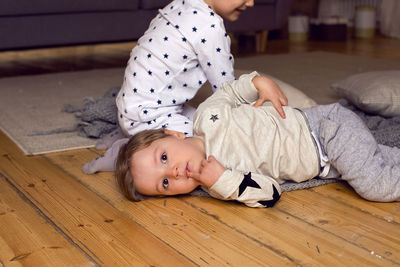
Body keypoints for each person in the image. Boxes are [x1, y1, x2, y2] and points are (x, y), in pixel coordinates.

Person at [115, 72, 400, 208]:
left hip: (323, 130)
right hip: (329, 162)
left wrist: (257, 82)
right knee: (382, 160)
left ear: (173, 134)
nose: (174, 172)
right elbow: (270, 193)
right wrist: (224, 181)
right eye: (165, 183)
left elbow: (231, 93)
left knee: (374, 185)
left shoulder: (206, 117)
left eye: (164, 158)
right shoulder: (220, 185)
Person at [82, 0, 288, 174]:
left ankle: (126, 131)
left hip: (130, 105)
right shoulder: (210, 27)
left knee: (200, 116)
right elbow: (226, 89)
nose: (251, 2)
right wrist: (246, 121)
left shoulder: (181, 4)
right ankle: (124, 151)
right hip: (149, 117)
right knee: (209, 140)